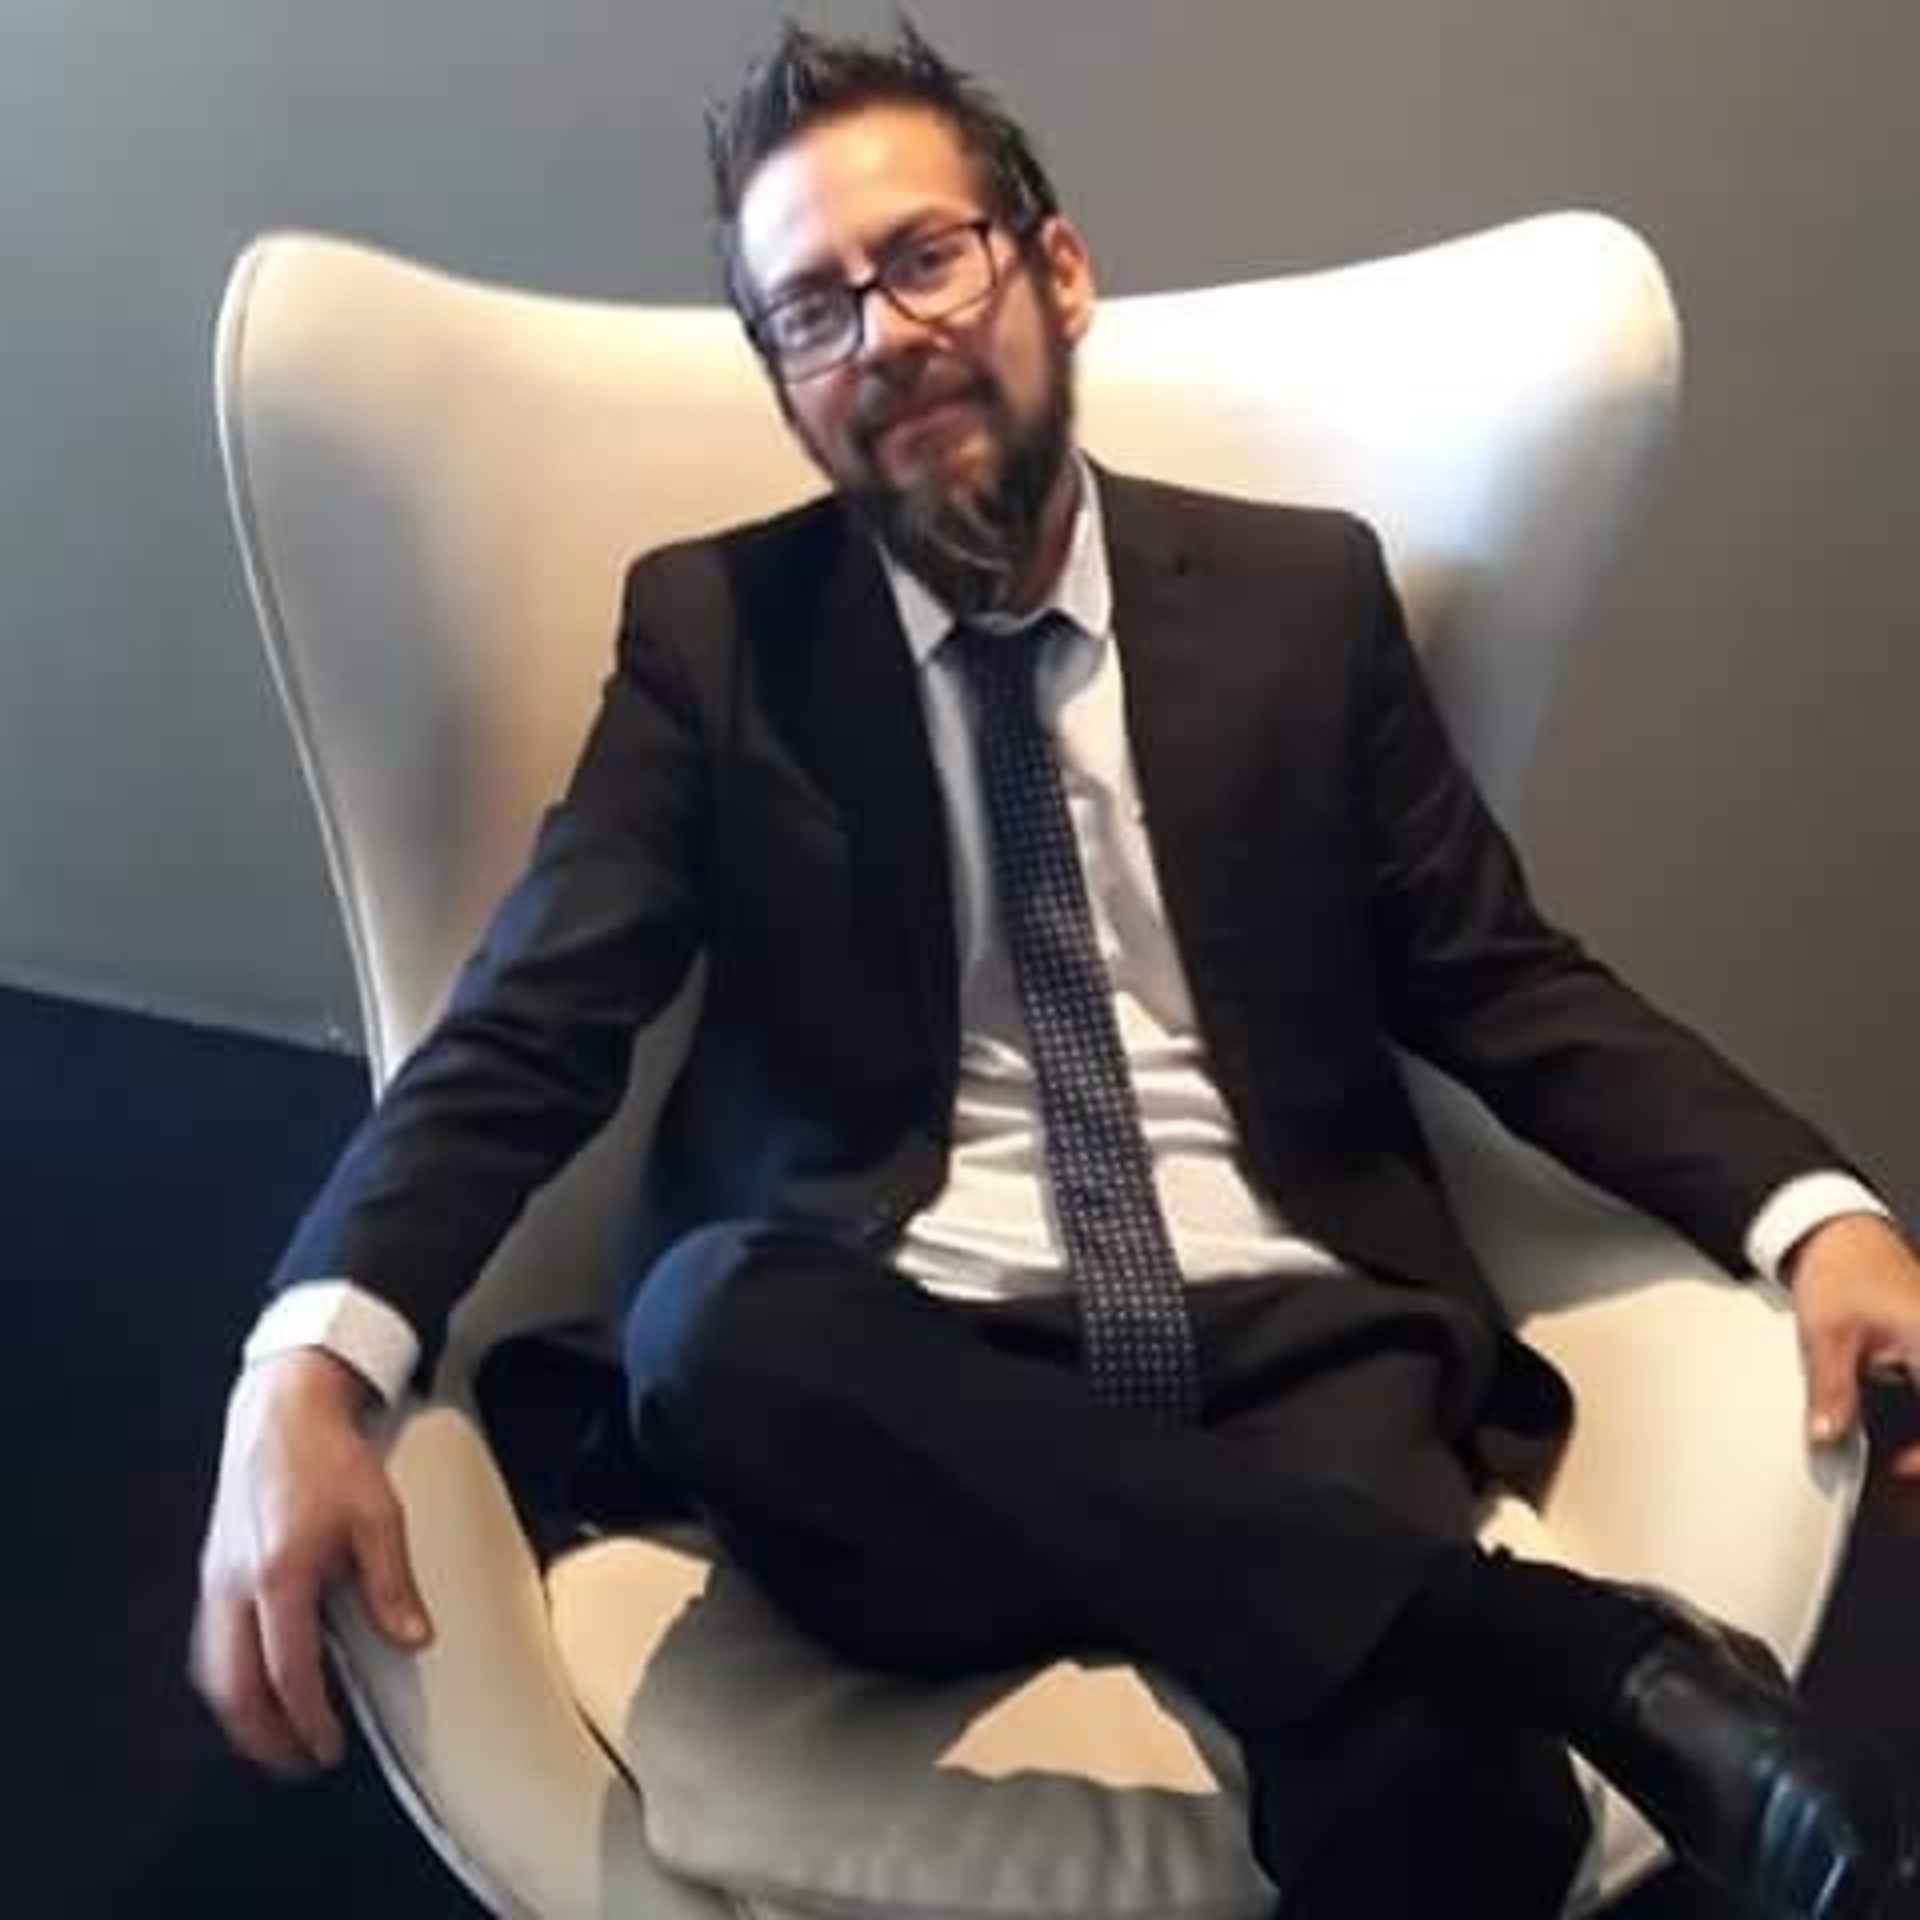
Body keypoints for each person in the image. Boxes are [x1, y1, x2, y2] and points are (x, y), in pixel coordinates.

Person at [191, 20, 1920, 1918]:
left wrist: (1814, 1213)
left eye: (924, 258)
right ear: (787, 389)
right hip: (905, 1382)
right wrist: (305, 1363)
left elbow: (1496, 977)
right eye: (811, 312)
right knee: (709, 1327)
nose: (881, 335)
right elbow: (529, 1024)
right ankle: (1576, 1651)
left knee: (1450, 1803)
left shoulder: (1300, 599)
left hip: (1291, 1343)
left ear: (1057, 271)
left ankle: (1433, 1647)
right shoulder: (715, 635)